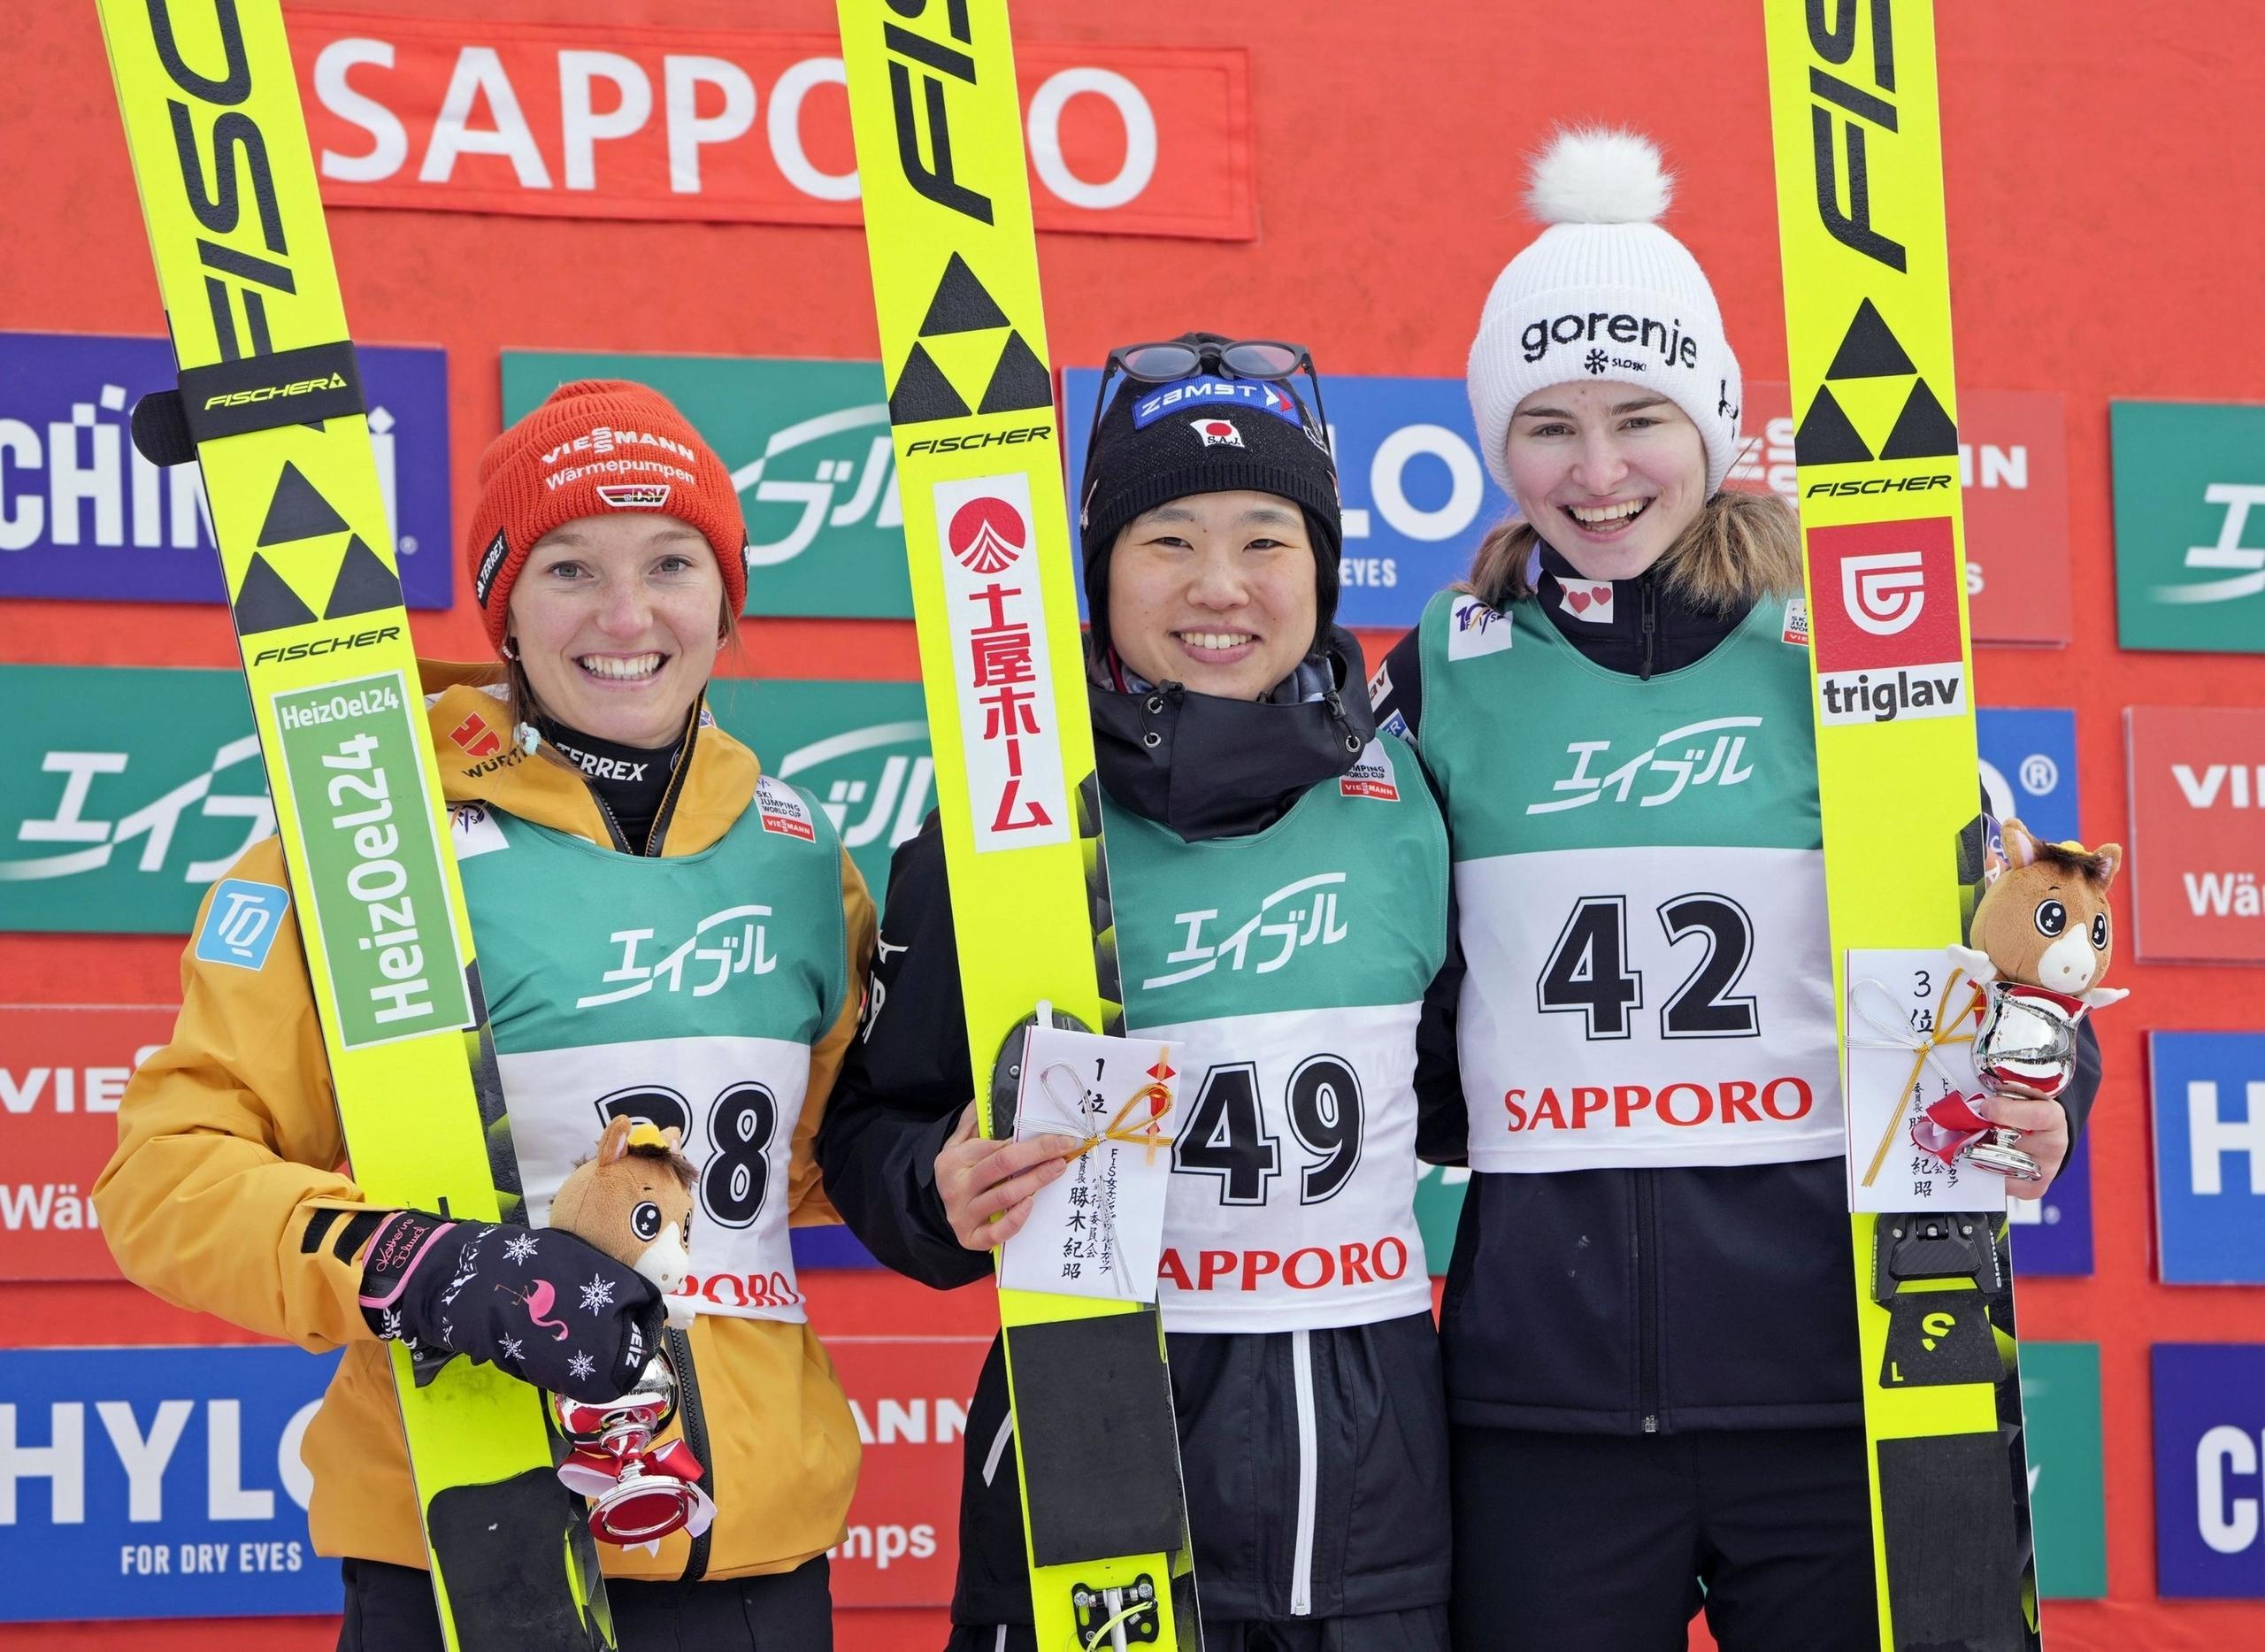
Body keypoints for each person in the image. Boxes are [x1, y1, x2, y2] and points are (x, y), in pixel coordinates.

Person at [1370, 129, 2103, 1651]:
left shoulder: (1846, 654)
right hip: (1544, 1400)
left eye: (1639, 419)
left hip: (1845, 1377)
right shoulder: (1445, 671)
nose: (1596, 471)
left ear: (1713, 419)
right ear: (1499, 445)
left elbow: (2023, 943)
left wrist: (2052, 1082)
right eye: (1546, 427)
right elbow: (1376, 971)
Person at [94, 380, 875, 1650]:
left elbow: (808, 1171)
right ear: (502, 605)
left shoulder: (794, 849)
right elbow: (164, 1180)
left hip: (752, 1565)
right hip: (468, 1546)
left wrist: (952, 1168)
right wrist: (426, 1269)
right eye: (570, 567)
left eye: (672, 562)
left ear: (728, 602)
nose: (628, 617)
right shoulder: (367, 839)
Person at [818, 334, 1454, 1652]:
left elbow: (1471, 1093)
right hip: (1089, 1488)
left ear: (1323, 568)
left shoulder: (1409, 808)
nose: (1219, 586)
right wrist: (938, 1184)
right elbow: (873, 1130)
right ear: (1099, 567)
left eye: (1266, 539)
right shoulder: (1008, 829)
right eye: (1168, 539)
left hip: (1379, 1515)